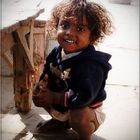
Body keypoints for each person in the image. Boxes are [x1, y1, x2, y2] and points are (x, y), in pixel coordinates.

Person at [32, 0, 114, 139]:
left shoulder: (92, 65)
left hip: (87, 108)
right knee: (38, 93)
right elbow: (48, 70)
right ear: (56, 25)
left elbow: (84, 97)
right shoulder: (57, 52)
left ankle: (85, 135)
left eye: (80, 29)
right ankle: (59, 122)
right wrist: (43, 86)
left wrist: (53, 97)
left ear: (93, 36)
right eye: (64, 25)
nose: (69, 32)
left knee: (78, 116)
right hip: (64, 101)